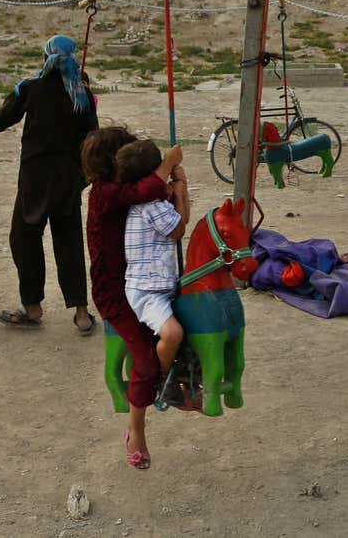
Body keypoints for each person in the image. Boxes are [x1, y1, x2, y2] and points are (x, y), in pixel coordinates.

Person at [82, 126, 184, 470]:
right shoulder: (104, 193)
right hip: (116, 293)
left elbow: (156, 200)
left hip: (148, 280)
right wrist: (167, 163)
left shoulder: (123, 190)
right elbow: (148, 187)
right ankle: (136, 430)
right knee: (145, 359)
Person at [0, 36, 100, 334]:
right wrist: (84, 177)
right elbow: (93, 138)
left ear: (46, 57)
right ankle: (82, 313)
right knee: (69, 243)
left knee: (23, 239)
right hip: (68, 179)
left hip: (35, 179)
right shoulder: (82, 94)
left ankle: (32, 306)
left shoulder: (31, 88)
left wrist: (4, 105)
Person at [117, 140, 191, 461]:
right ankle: (161, 380)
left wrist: (181, 188)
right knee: (172, 333)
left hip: (162, 285)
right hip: (147, 292)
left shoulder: (154, 201)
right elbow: (178, 229)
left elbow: (181, 223)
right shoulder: (149, 205)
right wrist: (176, 188)